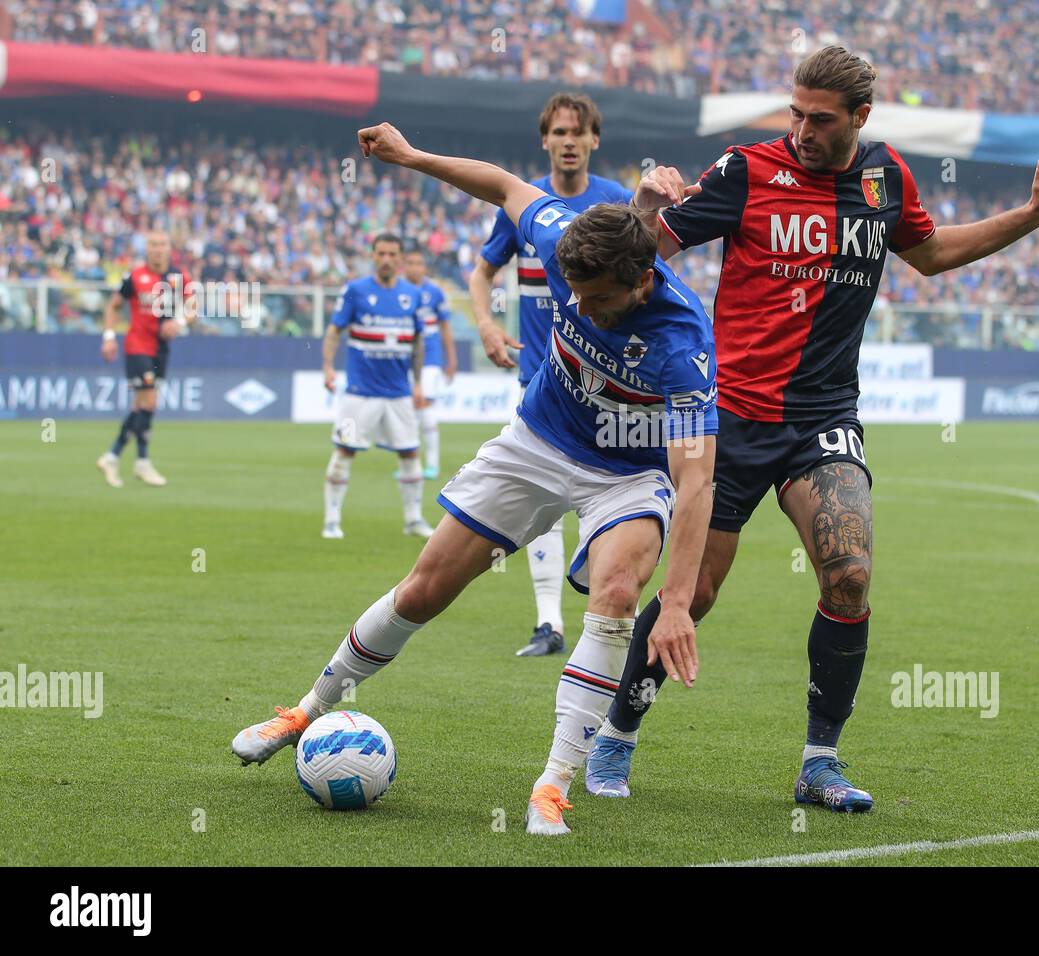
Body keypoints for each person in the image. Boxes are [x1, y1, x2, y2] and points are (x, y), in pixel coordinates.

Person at [585, 45, 1039, 813]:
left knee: (849, 574)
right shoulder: (746, 171)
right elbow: (639, 257)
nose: (802, 131)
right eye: (795, 114)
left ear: (860, 118)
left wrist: (1032, 216)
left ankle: (820, 761)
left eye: (819, 119)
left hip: (823, 417)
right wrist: (647, 204)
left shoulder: (886, 178)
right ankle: (618, 728)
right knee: (699, 590)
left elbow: (933, 253)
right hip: (733, 415)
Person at [232, 122, 718, 838]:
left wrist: (677, 601)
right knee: (424, 589)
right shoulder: (564, 241)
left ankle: (552, 787)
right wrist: (411, 157)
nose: (577, 310)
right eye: (572, 295)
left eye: (595, 302)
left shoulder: (682, 348)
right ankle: (306, 709)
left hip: (625, 477)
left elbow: (696, 481)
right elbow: (501, 184)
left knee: (617, 596)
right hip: (539, 440)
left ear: (642, 281)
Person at [470, 92, 633, 658]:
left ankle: (600, 618)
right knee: (543, 502)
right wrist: (488, 326)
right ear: (545, 140)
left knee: (602, 495)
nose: (568, 141)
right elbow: (482, 273)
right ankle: (548, 623)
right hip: (539, 379)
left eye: (577, 132)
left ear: (593, 141)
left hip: (606, 384)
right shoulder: (523, 204)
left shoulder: (614, 202)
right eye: (558, 132)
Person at [320, 234, 433, 539]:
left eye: (392, 254)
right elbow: (334, 331)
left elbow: (418, 343)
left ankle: (413, 519)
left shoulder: (413, 295)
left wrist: (418, 383)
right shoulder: (355, 291)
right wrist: (328, 367)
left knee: (410, 454)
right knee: (345, 451)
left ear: (399, 259)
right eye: (381, 253)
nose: (386, 259)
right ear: (373, 256)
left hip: (398, 393)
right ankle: (331, 519)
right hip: (360, 393)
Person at [96, 231, 193, 488]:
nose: (157, 249)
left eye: (162, 244)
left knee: (144, 405)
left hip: (161, 350)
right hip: (137, 346)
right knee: (147, 398)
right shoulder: (135, 277)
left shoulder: (179, 278)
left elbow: (193, 306)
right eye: (153, 244)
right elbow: (113, 305)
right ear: (147, 248)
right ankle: (137, 461)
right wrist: (108, 336)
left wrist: (179, 321)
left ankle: (117, 456)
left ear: (170, 248)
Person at [393, 247, 458, 481]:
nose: (414, 268)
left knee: (425, 408)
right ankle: (411, 463)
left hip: (429, 358)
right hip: (403, 359)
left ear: (424, 267)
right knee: (407, 412)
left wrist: (451, 360)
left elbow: (445, 329)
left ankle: (431, 464)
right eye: (409, 263)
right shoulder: (398, 291)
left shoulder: (435, 292)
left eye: (418, 263)